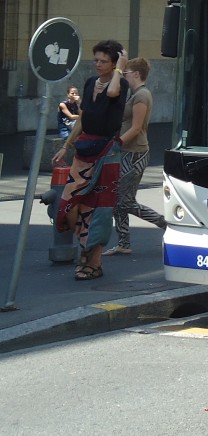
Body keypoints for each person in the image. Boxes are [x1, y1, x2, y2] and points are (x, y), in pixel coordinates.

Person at [51, 40, 129, 282]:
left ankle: (92, 262)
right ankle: (87, 250)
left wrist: (120, 68)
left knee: (100, 211)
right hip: (84, 151)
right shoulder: (88, 83)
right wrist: (66, 146)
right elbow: (82, 119)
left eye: (104, 61)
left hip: (107, 152)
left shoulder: (121, 83)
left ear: (115, 63)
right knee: (68, 205)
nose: (97, 64)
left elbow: (113, 92)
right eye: (96, 60)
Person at [103, 58, 166, 256]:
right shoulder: (135, 94)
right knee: (118, 200)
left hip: (136, 153)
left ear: (136, 74)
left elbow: (137, 127)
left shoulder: (142, 95)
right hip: (128, 152)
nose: (124, 75)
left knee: (125, 202)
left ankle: (164, 223)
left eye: (126, 72)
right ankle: (123, 242)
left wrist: (116, 144)